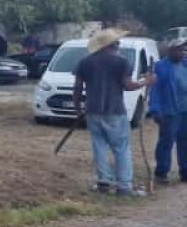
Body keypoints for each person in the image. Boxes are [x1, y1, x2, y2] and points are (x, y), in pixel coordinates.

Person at [73, 29, 155, 196]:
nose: (119, 45)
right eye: (117, 43)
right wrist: (146, 82)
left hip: (93, 111)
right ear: (111, 45)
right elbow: (127, 85)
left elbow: (77, 88)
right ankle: (124, 186)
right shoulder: (122, 62)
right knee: (121, 148)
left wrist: (77, 109)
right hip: (115, 111)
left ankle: (104, 183)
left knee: (99, 147)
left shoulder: (84, 62)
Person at [150, 37, 187, 184]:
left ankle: (185, 172)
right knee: (166, 142)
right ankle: (161, 173)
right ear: (170, 51)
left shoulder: (185, 65)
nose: (183, 52)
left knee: (185, 142)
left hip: (185, 111)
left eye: (184, 50)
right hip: (169, 111)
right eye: (179, 50)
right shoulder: (160, 66)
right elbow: (155, 89)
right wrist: (155, 109)